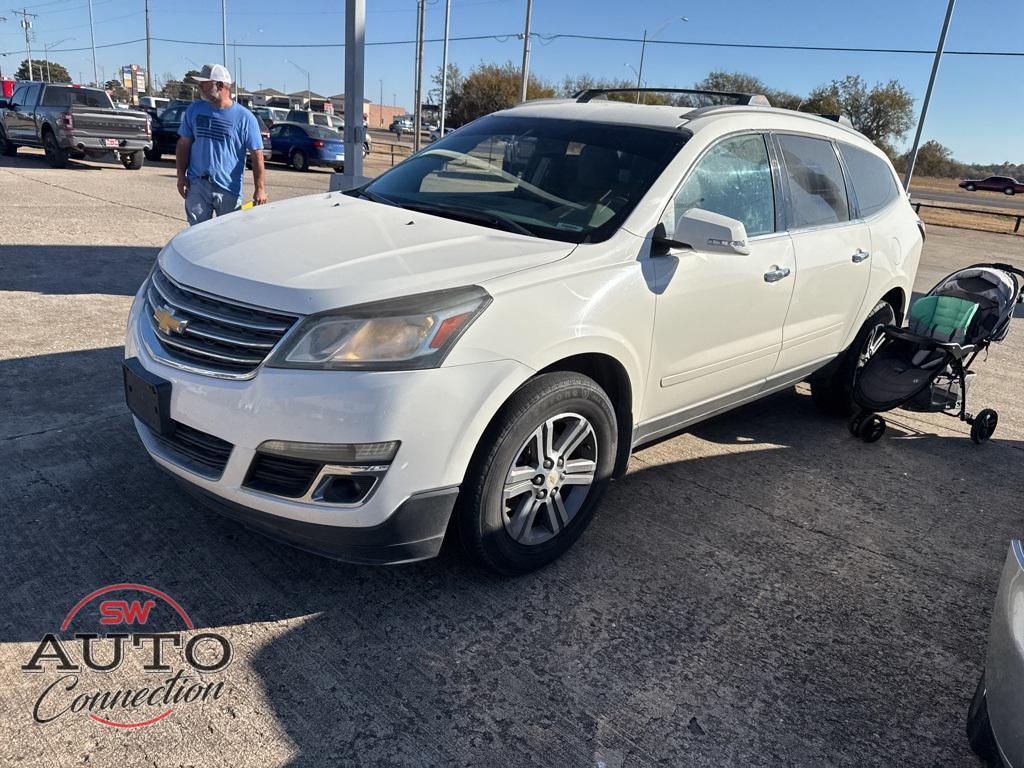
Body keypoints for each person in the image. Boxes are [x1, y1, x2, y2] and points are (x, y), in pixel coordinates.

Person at [176, 63, 267, 226]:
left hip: (228, 189)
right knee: (196, 235)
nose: (200, 86)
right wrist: (181, 176)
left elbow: (257, 155)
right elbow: (184, 144)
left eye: (204, 83)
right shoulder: (194, 110)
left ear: (219, 85)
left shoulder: (245, 118)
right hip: (197, 184)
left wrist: (260, 188)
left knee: (227, 237)